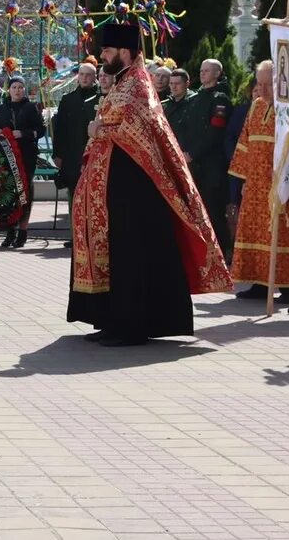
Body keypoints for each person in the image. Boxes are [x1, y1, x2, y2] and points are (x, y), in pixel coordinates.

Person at [67, 23, 232, 346]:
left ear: (125, 52)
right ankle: (110, 318)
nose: (103, 56)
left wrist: (98, 130)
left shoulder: (137, 86)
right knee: (115, 253)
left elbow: (132, 128)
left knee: (130, 254)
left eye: (108, 51)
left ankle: (131, 325)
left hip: (133, 188)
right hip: (115, 188)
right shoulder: (121, 82)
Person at [228, 61, 289, 304]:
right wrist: (244, 178)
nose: (262, 89)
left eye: (268, 84)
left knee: (284, 233)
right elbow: (245, 142)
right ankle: (260, 281)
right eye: (259, 83)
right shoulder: (256, 106)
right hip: (255, 184)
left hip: (281, 183)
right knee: (255, 232)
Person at [183, 58, 233, 259]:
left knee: (214, 211)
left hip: (212, 166)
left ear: (217, 74)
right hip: (194, 166)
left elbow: (215, 132)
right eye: (201, 70)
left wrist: (192, 153)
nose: (202, 74)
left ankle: (221, 253)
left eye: (207, 71)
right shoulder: (196, 98)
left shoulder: (220, 99)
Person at [0, 76, 46, 248]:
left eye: (20, 87)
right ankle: (10, 231)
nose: (17, 90)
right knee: (8, 194)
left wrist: (23, 133)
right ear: (9, 90)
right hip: (6, 157)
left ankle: (22, 231)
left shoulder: (31, 108)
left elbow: (40, 130)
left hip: (25, 156)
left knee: (24, 194)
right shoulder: (1, 109)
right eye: (14, 87)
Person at [52, 63, 100, 249]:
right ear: (77, 77)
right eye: (82, 74)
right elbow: (60, 129)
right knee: (74, 196)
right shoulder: (68, 99)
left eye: (89, 75)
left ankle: (93, 236)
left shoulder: (101, 98)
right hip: (72, 157)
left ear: (95, 76)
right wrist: (57, 154)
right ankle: (75, 236)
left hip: (93, 154)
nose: (85, 78)